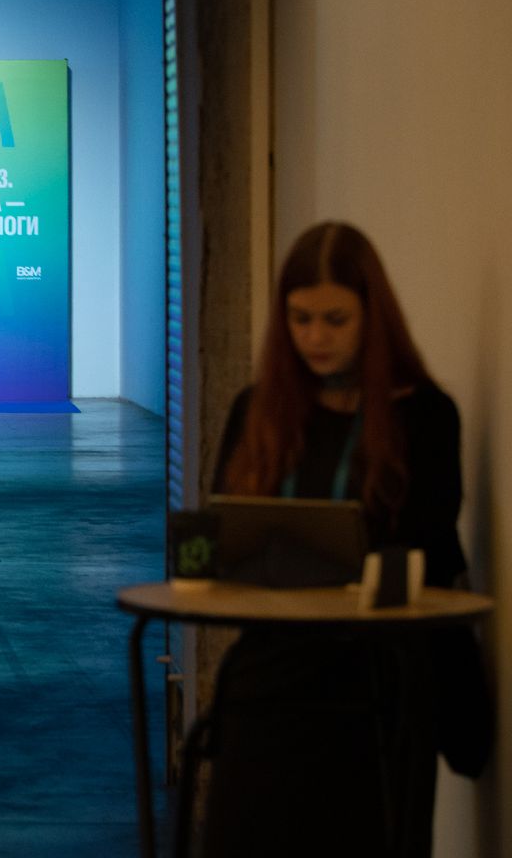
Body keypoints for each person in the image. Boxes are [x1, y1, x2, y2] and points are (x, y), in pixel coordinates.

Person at [202, 222, 491, 857]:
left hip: (378, 685)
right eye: (300, 319)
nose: (315, 337)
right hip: (271, 675)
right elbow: (227, 532)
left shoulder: (423, 416)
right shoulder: (258, 410)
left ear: (372, 318)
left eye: (335, 320)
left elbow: (424, 541)